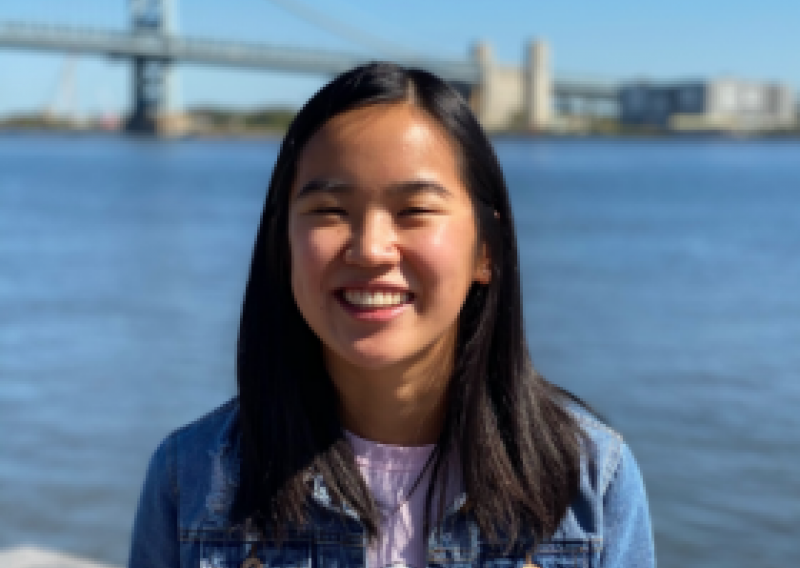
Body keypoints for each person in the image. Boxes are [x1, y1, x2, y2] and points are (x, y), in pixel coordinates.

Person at [128, 62, 656, 568]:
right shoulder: (191, 477)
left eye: (415, 212)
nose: (371, 249)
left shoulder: (589, 481)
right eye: (330, 212)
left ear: (486, 251)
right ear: (282, 245)